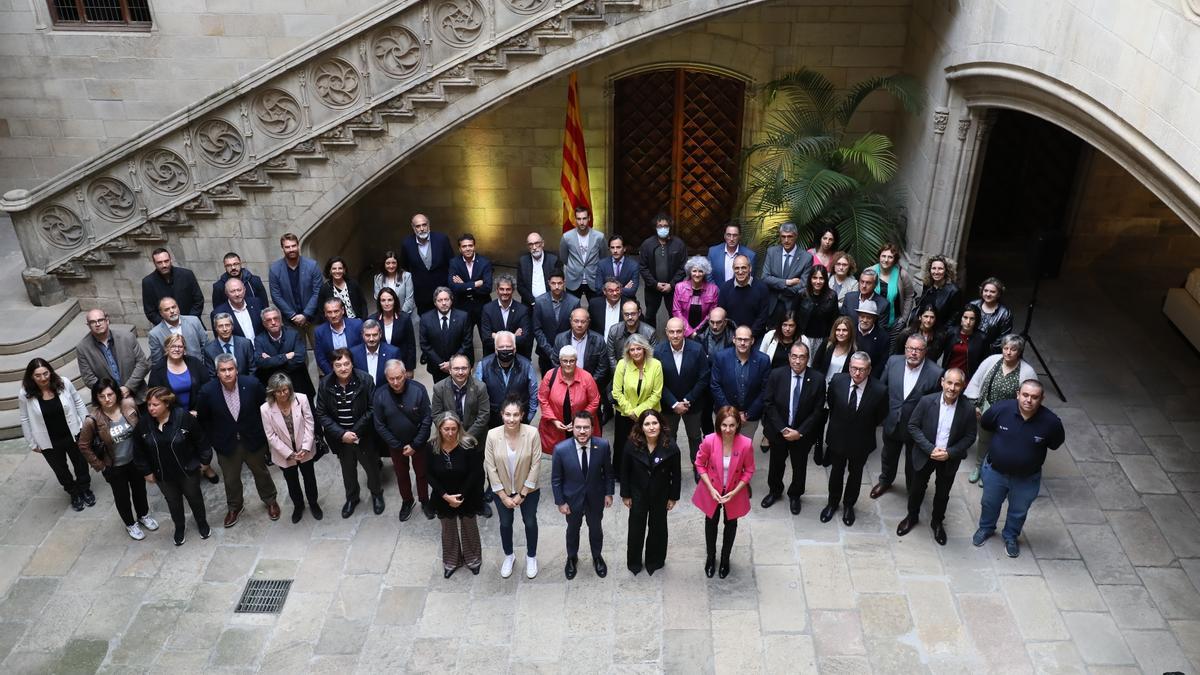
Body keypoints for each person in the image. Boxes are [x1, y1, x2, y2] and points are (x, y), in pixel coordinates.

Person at [973, 380, 1065, 558]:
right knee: (989, 504)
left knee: (1018, 511)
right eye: (1025, 395)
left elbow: (1055, 443)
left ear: (1042, 398)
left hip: (1026, 479)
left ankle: (1010, 537)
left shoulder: (1051, 422)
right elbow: (985, 423)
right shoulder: (1002, 409)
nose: (1029, 400)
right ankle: (986, 528)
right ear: (1018, 394)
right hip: (995, 472)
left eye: (1034, 397)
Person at [197, 354, 280, 528]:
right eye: (223, 370)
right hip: (226, 444)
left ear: (236, 369)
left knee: (261, 473)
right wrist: (214, 440)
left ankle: (270, 501)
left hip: (253, 440)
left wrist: (264, 435)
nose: (227, 373)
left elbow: (265, 410)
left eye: (230, 369)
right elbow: (204, 419)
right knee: (231, 478)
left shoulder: (252, 384)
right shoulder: (207, 391)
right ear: (217, 372)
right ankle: (235, 507)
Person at [898, 368, 975, 545]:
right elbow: (913, 426)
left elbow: (970, 436)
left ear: (963, 386)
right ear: (942, 382)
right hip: (925, 454)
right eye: (949, 383)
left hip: (948, 459)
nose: (952, 388)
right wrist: (929, 448)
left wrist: (950, 453)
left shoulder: (968, 409)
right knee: (917, 489)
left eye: (957, 384)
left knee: (942, 493)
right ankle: (912, 516)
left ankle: (937, 522)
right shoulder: (926, 401)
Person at [78, 379, 157, 540]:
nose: (107, 399)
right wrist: (100, 465)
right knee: (122, 497)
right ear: (96, 398)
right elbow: (83, 445)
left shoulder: (129, 406)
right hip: (114, 467)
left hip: (134, 461)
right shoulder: (92, 420)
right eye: (102, 396)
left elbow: (140, 429)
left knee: (140, 491)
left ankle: (143, 515)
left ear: (116, 394)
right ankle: (130, 523)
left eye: (110, 394)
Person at [133, 387, 211, 546]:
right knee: (173, 503)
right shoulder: (144, 424)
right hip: (164, 475)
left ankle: (202, 523)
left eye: (155, 405)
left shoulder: (183, 417)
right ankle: (180, 527)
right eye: (149, 405)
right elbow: (138, 450)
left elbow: (200, 440)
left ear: (167, 404)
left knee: (195, 498)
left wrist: (205, 461)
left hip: (187, 471)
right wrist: (146, 471)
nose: (151, 408)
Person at [871, 335, 944, 500]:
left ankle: (912, 489)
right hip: (892, 421)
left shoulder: (935, 372)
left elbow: (935, 405)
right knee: (888, 455)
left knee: (913, 462)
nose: (913, 353)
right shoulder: (893, 362)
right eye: (910, 348)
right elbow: (882, 388)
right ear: (905, 349)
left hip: (916, 428)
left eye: (918, 349)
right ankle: (885, 481)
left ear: (925, 351)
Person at [821, 352, 887, 526]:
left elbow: (879, 416)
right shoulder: (837, 381)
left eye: (862, 370)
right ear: (849, 367)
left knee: (856, 475)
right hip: (838, 438)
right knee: (836, 472)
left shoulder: (880, 390)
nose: (857, 373)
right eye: (854, 369)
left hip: (861, 441)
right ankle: (832, 503)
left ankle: (849, 505)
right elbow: (833, 405)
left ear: (869, 370)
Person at [19, 358, 93, 511]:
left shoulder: (64, 383)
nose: (43, 378)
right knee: (60, 470)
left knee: (80, 463)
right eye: (37, 375)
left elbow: (78, 401)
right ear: (31, 377)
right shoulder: (25, 394)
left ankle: (85, 488)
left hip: (72, 433)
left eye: (45, 373)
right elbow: (25, 418)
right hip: (48, 440)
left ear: (50, 372)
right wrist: (31, 442)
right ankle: (74, 492)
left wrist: (86, 423)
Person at [964, 334, 1038, 486]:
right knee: (984, 439)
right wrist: (975, 405)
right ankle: (978, 467)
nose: (1008, 352)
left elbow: (1031, 396)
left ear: (1020, 351)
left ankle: (990, 470)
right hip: (987, 410)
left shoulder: (1027, 371)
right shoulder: (991, 361)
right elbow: (976, 381)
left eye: (1013, 349)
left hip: (1010, 415)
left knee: (1000, 442)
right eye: (1005, 348)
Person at [761, 342, 826, 514]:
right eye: (794, 356)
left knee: (799, 466)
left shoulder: (818, 379)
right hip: (778, 431)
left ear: (807, 358)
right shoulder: (776, 375)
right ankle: (774, 491)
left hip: (801, 435)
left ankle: (795, 495)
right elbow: (768, 403)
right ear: (789, 357)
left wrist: (800, 432)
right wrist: (782, 429)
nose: (797, 361)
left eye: (802, 357)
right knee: (776, 464)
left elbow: (818, 410)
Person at [315, 348, 380, 518]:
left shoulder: (365, 380)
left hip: (363, 435)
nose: (343, 368)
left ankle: (376, 494)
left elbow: (373, 408)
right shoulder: (325, 384)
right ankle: (352, 498)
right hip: (340, 438)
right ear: (332, 366)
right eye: (338, 365)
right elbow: (321, 413)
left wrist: (355, 432)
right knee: (347, 469)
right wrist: (342, 434)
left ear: (352, 364)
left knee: (371, 467)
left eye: (346, 364)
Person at [692, 405, 754, 579]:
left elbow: (749, 470)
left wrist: (734, 492)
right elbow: (699, 464)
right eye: (724, 425)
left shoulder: (746, 444)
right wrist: (710, 489)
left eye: (732, 426)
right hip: (712, 490)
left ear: (738, 426)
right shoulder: (710, 440)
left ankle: (725, 559)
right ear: (718, 424)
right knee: (710, 524)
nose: (728, 430)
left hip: (733, 491)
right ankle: (711, 558)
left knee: (731, 525)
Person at [483, 396, 542, 579]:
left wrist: (522, 494)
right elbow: (490, 467)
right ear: (501, 415)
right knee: (505, 523)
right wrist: (502, 495)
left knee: (530, 522)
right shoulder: (492, 435)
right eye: (508, 414)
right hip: (503, 491)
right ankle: (509, 556)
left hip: (528, 491)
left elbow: (536, 464)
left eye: (516, 415)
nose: (511, 419)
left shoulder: (532, 433)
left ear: (522, 415)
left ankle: (531, 556)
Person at [552, 411, 614, 579]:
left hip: (595, 498)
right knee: (572, 530)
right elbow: (556, 479)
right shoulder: (561, 450)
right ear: (572, 428)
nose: (582, 431)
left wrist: (609, 493)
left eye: (586, 427)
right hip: (572, 501)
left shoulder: (602, 446)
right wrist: (560, 502)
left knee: (596, 529)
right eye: (578, 427)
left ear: (593, 428)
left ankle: (597, 557)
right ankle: (572, 558)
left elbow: (608, 473)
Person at [431, 354, 492, 518]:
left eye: (464, 368)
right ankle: (452, 499)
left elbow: (484, 415)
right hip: (448, 439)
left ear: (470, 369)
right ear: (449, 370)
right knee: (451, 472)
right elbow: (436, 414)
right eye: (456, 368)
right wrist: (450, 433)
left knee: (477, 472)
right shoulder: (439, 388)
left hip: (474, 440)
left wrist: (464, 437)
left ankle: (478, 503)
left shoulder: (480, 387)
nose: (460, 372)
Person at [373, 359, 434, 522]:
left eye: (399, 377)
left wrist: (415, 444)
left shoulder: (418, 390)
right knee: (401, 474)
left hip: (418, 443)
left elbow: (427, 419)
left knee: (422, 473)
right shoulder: (379, 395)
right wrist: (397, 445)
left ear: (405, 374)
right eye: (391, 379)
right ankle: (407, 501)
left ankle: (424, 500)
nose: (396, 382)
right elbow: (379, 425)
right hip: (396, 445)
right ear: (386, 378)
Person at [621, 409, 680, 575]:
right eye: (647, 424)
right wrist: (626, 494)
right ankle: (634, 562)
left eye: (655, 423)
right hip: (638, 494)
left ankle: (655, 561)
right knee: (635, 529)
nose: (651, 427)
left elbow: (676, 475)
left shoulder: (671, 446)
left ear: (661, 425)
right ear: (641, 427)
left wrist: (673, 497)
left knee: (658, 528)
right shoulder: (631, 445)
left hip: (660, 495)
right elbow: (624, 471)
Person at [427, 411, 485, 577]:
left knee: (469, 527)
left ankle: (473, 559)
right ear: (439, 429)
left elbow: (474, 473)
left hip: (466, 495)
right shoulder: (431, 447)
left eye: (454, 429)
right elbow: (429, 474)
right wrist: (445, 496)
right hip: (442, 496)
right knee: (448, 530)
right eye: (446, 429)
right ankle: (452, 561)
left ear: (459, 428)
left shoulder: (469, 445)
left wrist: (460, 497)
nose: (450, 433)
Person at [261, 373, 322, 523]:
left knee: (309, 478)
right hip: (284, 454)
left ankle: (313, 503)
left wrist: (306, 447)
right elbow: (271, 436)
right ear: (272, 392)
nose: (283, 394)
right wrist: (289, 454)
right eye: (278, 391)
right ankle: (298, 506)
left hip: (304, 449)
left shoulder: (301, 399)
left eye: (285, 390)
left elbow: (309, 423)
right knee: (291, 481)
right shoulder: (265, 409)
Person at [654, 318, 710, 480]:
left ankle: (698, 467)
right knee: (669, 438)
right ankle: (670, 467)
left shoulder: (697, 349)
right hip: (668, 406)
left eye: (679, 331)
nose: (675, 335)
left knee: (694, 437)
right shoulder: (658, 351)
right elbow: (658, 382)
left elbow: (704, 377)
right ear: (666, 332)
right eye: (671, 332)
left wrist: (687, 400)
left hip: (692, 404)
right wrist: (673, 403)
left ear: (684, 331)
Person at [611, 334, 663, 476]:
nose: (635, 352)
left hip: (649, 414)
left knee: (647, 444)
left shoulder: (656, 365)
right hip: (626, 414)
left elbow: (656, 394)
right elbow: (616, 392)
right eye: (632, 350)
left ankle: (644, 473)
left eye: (638, 349)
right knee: (623, 444)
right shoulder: (622, 364)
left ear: (645, 349)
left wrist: (639, 412)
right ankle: (621, 474)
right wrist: (630, 411)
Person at [710, 326, 772, 444]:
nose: (742, 343)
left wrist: (748, 414)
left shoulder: (763, 360)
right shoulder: (721, 357)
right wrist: (730, 413)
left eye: (746, 339)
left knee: (744, 450)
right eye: (739, 339)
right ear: (734, 340)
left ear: (752, 341)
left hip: (749, 418)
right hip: (724, 414)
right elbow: (715, 385)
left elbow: (765, 389)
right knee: (723, 449)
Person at [76, 309, 150, 402]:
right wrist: (111, 393)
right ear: (88, 325)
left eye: (100, 320)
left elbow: (142, 364)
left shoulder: (127, 337)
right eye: (93, 322)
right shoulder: (83, 348)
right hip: (110, 403)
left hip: (138, 395)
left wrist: (128, 387)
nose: (97, 324)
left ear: (107, 320)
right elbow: (88, 378)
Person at [537, 346, 601, 454]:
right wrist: (553, 420)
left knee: (581, 454)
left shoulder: (586, 377)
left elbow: (594, 401)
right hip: (557, 426)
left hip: (581, 426)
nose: (568, 364)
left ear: (576, 361)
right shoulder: (550, 375)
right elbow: (542, 399)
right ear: (560, 361)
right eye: (565, 361)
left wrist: (580, 420)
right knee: (560, 455)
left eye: (571, 361)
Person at [812, 316, 856, 462]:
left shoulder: (854, 350)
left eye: (844, 330)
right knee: (820, 420)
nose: (841, 333)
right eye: (838, 329)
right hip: (823, 388)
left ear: (850, 332)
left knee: (835, 422)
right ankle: (818, 445)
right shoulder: (827, 344)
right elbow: (816, 365)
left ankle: (831, 447)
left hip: (840, 392)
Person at [147, 334, 211, 431]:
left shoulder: (195, 363)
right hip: (171, 418)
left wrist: (197, 410)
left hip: (197, 414)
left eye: (180, 346)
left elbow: (206, 387)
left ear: (184, 349)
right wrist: (180, 415)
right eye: (173, 346)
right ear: (166, 348)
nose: (176, 349)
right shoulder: (158, 370)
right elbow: (155, 397)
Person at [475, 331, 539, 428]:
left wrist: (527, 419)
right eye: (501, 347)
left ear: (514, 349)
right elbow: (478, 396)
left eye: (508, 347)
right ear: (496, 349)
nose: (505, 350)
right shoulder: (483, 366)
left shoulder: (526, 366)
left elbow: (534, 395)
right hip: (492, 424)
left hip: (520, 423)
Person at [552, 308, 611, 409]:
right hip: (566, 384)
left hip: (590, 386)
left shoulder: (598, 340)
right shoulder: (560, 339)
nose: (579, 325)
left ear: (588, 322)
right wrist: (568, 382)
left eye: (583, 321)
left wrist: (587, 384)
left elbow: (603, 367)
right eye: (576, 321)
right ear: (570, 321)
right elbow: (556, 362)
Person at [269, 232, 324, 336]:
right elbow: (276, 296)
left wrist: (306, 314)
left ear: (298, 246)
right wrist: (293, 316)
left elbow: (318, 291)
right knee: (297, 352)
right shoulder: (275, 269)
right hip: (291, 321)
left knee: (321, 350)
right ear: (283, 249)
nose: (291, 249)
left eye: (293, 246)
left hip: (313, 318)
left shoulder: (312, 266)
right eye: (287, 247)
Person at [637, 215, 688, 327]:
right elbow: (643, 267)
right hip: (653, 288)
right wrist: (655, 284)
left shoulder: (679, 244)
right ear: (655, 227)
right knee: (650, 315)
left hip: (673, 289)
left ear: (670, 227)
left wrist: (672, 284)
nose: (663, 228)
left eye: (665, 226)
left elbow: (683, 267)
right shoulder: (647, 244)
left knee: (675, 315)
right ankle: (651, 341)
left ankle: (675, 339)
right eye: (660, 226)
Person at [400, 213, 454, 316]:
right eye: (418, 226)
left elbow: (451, 263)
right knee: (426, 324)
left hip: (443, 292)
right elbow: (405, 266)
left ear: (428, 225)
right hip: (422, 295)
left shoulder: (441, 239)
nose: (421, 229)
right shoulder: (407, 244)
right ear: (413, 227)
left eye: (424, 225)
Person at [760, 222, 814, 325]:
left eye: (790, 237)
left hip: (793, 307)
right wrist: (787, 282)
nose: (786, 240)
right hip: (772, 306)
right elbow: (765, 278)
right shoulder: (771, 252)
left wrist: (776, 285)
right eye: (783, 236)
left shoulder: (806, 257)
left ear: (796, 236)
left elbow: (803, 285)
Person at [254, 307, 314, 397]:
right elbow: (260, 363)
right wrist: (286, 357)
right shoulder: (259, 340)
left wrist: (272, 362)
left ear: (281, 319)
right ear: (264, 323)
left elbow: (300, 358)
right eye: (269, 320)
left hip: (298, 384)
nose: (273, 322)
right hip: (275, 388)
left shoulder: (293, 334)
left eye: (276, 318)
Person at [418, 287, 473, 383]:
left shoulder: (463, 317)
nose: (443, 303)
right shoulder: (425, 319)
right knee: (442, 396)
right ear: (435, 302)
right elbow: (424, 344)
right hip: (437, 367)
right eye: (440, 300)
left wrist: (452, 363)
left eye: (446, 299)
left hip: (460, 367)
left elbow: (466, 343)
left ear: (451, 300)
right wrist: (440, 363)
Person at [532, 269, 580, 373]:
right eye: (553, 283)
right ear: (548, 283)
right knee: (547, 384)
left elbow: (576, 328)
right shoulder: (540, 302)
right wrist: (549, 351)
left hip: (567, 353)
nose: (557, 286)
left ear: (564, 283)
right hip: (545, 352)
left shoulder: (574, 302)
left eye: (559, 283)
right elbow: (537, 329)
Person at [448, 232, 493, 341]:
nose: (468, 249)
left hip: (482, 307)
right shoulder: (454, 263)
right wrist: (475, 284)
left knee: (487, 339)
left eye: (470, 245)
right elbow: (453, 287)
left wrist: (463, 285)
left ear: (474, 247)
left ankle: (487, 359)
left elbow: (487, 288)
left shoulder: (485, 262)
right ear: (460, 249)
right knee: (465, 341)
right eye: (464, 246)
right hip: (462, 308)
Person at [141, 247, 204, 326]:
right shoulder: (148, 282)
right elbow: (150, 311)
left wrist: (189, 321)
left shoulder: (187, 275)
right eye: (159, 262)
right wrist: (168, 326)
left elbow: (198, 300)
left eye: (166, 261)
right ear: (154, 263)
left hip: (192, 324)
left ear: (171, 260)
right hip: (166, 329)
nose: (164, 265)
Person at [479, 273, 533, 357]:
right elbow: (486, 339)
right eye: (501, 289)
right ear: (497, 290)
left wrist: (496, 336)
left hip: (516, 356)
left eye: (508, 289)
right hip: (493, 356)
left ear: (513, 290)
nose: (505, 292)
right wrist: (513, 336)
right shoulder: (487, 309)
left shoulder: (522, 310)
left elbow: (524, 339)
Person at [559, 206, 606, 300]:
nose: (581, 222)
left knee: (596, 309)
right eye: (579, 219)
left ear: (589, 218)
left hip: (593, 279)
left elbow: (603, 258)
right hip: (573, 279)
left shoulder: (599, 237)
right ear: (575, 219)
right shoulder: (567, 237)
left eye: (584, 218)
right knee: (572, 310)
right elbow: (564, 257)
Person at [717, 254, 769, 339]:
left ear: (750, 269)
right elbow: (722, 316)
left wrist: (749, 336)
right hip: (731, 338)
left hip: (755, 337)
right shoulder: (725, 288)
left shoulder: (762, 288)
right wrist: (736, 337)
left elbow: (762, 317)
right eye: (737, 268)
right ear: (733, 269)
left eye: (743, 267)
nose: (740, 271)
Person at [867, 243, 914, 331]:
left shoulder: (902, 274)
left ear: (895, 259)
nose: (886, 260)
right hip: (870, 320)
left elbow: (909, 296)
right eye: (883, 256)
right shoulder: (869, 271)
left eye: (890, 257)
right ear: (879, 257)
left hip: (894, 323)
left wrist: (904, 319)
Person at [147, 296, 207, 365]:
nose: (172, 311)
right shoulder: (155, 334)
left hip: (198, 367)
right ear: (161, 313)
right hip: (174, 371)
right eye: (167, 309)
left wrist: (203, 365)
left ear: (178, 308)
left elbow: (205, 345)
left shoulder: (194, 321)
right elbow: (157, 361)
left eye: (173, 307)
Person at [671, 256, 720, 338]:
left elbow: (711, 314)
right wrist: (689, 332)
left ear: (705, 272)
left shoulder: (713, 289)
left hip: (703, 333)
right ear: (690, 272)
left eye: (700, 271)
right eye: (694, 271)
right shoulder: (679, 287)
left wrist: (697, 332)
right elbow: (676, 311)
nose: (697, 274)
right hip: (682, 331)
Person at [314, 298, 364, 377]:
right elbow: (321, 358)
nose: (333, 315)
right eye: (329, 312)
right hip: (334, 375)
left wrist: (358, 373)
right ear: (325, 314)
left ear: (342, 310)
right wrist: (334, 375)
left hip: (358, 372)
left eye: (336, 311)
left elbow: (363, 350)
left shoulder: (357, 325)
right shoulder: (320, 331)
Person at [911, 254, 963, 330]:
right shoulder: (928, 284)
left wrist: (941, 333)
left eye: (940, 269)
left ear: (946, 270)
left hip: (938, 331)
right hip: (922, 326)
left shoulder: (954, 291)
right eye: (934, 268)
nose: (936, 272)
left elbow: (954, 318)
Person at [370, 287, 417, 370]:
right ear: (379, 302)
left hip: (401, 362)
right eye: (383, 300)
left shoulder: (404, 318)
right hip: (380, 364)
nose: (386, 303)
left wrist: (410, 368)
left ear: (394, 301)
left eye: (390, 300)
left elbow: (411, 346)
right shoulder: (373, 320)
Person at [795, 265, 839, 352]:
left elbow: (834, 320)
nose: (818, 281)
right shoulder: (801, 294)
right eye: (815, 278)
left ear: (825, 280)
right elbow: (794, 316)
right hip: (803, 338)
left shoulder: (832, 296)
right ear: (810, 279)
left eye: (821, 278)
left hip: (823, 340)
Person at [936, 305, 986, 381]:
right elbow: (937, 351)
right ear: (961, 318)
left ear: (976, 321)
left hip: (967, 380)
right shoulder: (951, 332)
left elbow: (983, 363)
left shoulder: (981, 338)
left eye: (972, 319)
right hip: (948, 376)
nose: (968, 322)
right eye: (965, 318)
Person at [607, 299, 657, 372]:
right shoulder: (614, 330)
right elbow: (611, 358)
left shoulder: (650, 332)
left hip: (643, 373)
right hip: (620, 372)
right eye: (626, 314)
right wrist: (620, 375)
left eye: (633, 314)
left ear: (639, 313)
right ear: (622, 313)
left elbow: (651, 358)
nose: (630, 317)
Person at [202, 313, 257, 377]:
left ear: (232, 326)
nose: (225, 329)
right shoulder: (209, 350)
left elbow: (253, 369)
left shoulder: (245, 344)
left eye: (227, 325)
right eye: (220, 326)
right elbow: (212, 376)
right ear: (215, 328)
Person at [968, 277, 1014, 354]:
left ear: (999, 294)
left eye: (992, 292)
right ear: (981, 291)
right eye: (985, 291)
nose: (988, 294)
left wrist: (985, 349)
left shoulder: (1005, 313)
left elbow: (1003, 338)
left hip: (989, 352)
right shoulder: (972, 305)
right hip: (968, 347)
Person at [317, 256, 368, 321]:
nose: (337, 271)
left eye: (340, 268)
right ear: (330, 271)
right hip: (336, 324)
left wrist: (362, 320)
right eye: (334, 269)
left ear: (344, 270)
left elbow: (363, 304)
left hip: (356, 321)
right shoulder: (325, 288)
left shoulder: (353, 284)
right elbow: (321, 311)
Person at [350, 319, 400, 386]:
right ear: (362, 335)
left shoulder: (393, 353)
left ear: (380, 334)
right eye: (368, 335)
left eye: (375, 335)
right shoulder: (353, 353)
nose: (371, 339)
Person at [517, 231, 561, 306]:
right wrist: (533, 301)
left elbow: (558, 283)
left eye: (537, 243)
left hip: (550, 303)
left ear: (542, 243)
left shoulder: (553, 260)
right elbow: (520, 286)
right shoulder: (523, 261)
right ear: (528, 247)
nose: (534, 247)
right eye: (531, 244)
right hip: (529, 303)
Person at [595, 233, 640, 301]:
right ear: (609, 249)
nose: (615, 251)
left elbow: (632, 291)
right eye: (612, 247)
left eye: (618, 247)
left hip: (626, 301)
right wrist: (623, 289)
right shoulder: (602, 264)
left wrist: (608, 289)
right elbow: (598, 289)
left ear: (624, 249)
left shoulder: (633, 265)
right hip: (607, 301)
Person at [853, 299, 890, 380]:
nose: (865, 320)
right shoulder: (851, 330)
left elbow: (881, 363)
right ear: (858, 316)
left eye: (869, 318)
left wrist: (869, 379)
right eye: (862, 316)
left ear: (874, 319)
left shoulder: (883, 337)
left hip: (870, 378)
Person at [372, 250, 416, 316]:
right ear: (384, 264)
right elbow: (378, 299)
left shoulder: (406, 276)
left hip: (404, 315)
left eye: (394, 263)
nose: (391, 266)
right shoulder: (378, 278)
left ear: (397, 263)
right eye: (388, 263)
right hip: (386, 315)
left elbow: (409, 299)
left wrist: (400, 315)